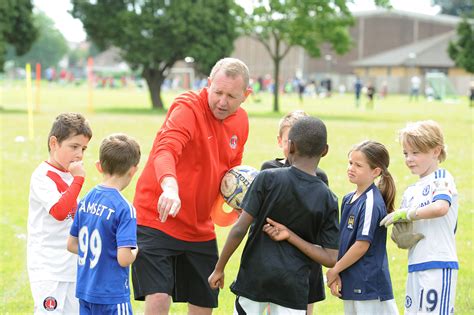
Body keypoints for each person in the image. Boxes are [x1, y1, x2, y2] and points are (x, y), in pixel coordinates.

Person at [131, 58, 252, 314]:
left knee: (204, 300)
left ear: (246, 95)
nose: (222, 101)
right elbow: (166, 150)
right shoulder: (187, 107)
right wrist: (170, 187)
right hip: (157, 216)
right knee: (160, 296)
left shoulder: (241, 122)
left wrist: (239, 205)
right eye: (217, 92)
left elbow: (230, 176)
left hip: (199, 227)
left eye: (231, 96)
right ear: (208, 84)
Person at [208, 117, 340, 314]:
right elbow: (330, 258)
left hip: (254, 277)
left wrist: (219, 268)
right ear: (325, 150)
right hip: (293, 285)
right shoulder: (328, 197)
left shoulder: (266, 178)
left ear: (291, 146)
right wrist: (292, 237)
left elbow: (239, 229)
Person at [380, 120, 458, 315]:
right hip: (415, 264)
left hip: (439, 263)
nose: (409, 159)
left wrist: (408, 213)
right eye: (406, 153)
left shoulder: (442, 177)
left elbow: (441, 207)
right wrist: (400, 237)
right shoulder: (411, 191)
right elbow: (405, 228)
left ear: (436, 151)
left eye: (416, 153)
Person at [261, 110, 329, 314]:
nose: (295, 148)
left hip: (306, 256)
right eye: (290, 140)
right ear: (280, 141)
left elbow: (318, 219)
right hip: (272, 257)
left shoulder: (319, 177)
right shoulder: (269, 170)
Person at [67, 133, 140, 314]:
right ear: (133, 170)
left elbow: (71, 244)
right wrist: (136, 250)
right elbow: (124, 258)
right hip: (112, 296)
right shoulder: (124, 209)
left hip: (85, 291)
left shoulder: (85, 200)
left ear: (99, 166)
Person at [27, 113, 92, 314]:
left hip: (72, 268)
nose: (79, 154)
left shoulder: (70, 174)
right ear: (54, 143)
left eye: (83, 149)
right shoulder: (42, 176)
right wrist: (78, 181)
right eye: (74, 147)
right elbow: (59, 211)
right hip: (48, 268)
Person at [326, 140, 399, 315]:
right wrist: (339, 273)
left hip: (369, 285)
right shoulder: (348, 198)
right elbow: (344, 243)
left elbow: (361, 245)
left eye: (358, 165)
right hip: (351, 280)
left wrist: (335, 270)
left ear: (375, 172)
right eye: (350, 163)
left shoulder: (371, 202)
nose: (351, 168)